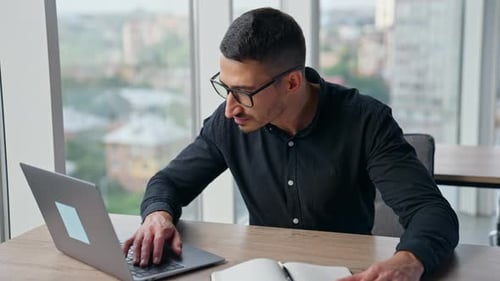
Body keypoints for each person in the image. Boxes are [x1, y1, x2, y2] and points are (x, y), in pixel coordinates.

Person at [124, 7, 458, 281]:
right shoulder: (229, 122)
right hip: (260, 271)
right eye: (225, 87)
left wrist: (407, 261)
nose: (230, 107)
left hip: (348, 272)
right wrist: (158, 216)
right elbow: (168, 182)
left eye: (243, 92)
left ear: (292, 83)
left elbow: (432, 213)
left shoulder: (365, 121)